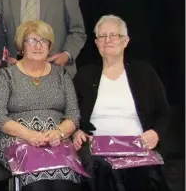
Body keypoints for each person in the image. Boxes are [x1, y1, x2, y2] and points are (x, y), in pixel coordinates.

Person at [72, 15, 171, 191]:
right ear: (96, 43)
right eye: (102, 36)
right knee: (98, 172)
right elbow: (71, 111)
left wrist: (156, 133)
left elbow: (164, 112)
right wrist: (76, 131)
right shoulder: (84, 75)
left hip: (138, 146)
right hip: (96, 150)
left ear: (125, 41)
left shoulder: (144, 72)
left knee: (143, 177)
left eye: (113, 35)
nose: (107, 40)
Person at [0, 19, 81, 191]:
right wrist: (28, 134)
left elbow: (73, 114)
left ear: (49, 46)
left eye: (43, 41)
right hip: (17, 139)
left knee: (65, 183)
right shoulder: (7, 75)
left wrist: (59, 133)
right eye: (31, 40)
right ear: (21, 46)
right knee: (37, 184)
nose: (38, 46)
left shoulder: (61, 75)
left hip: (55, 139)